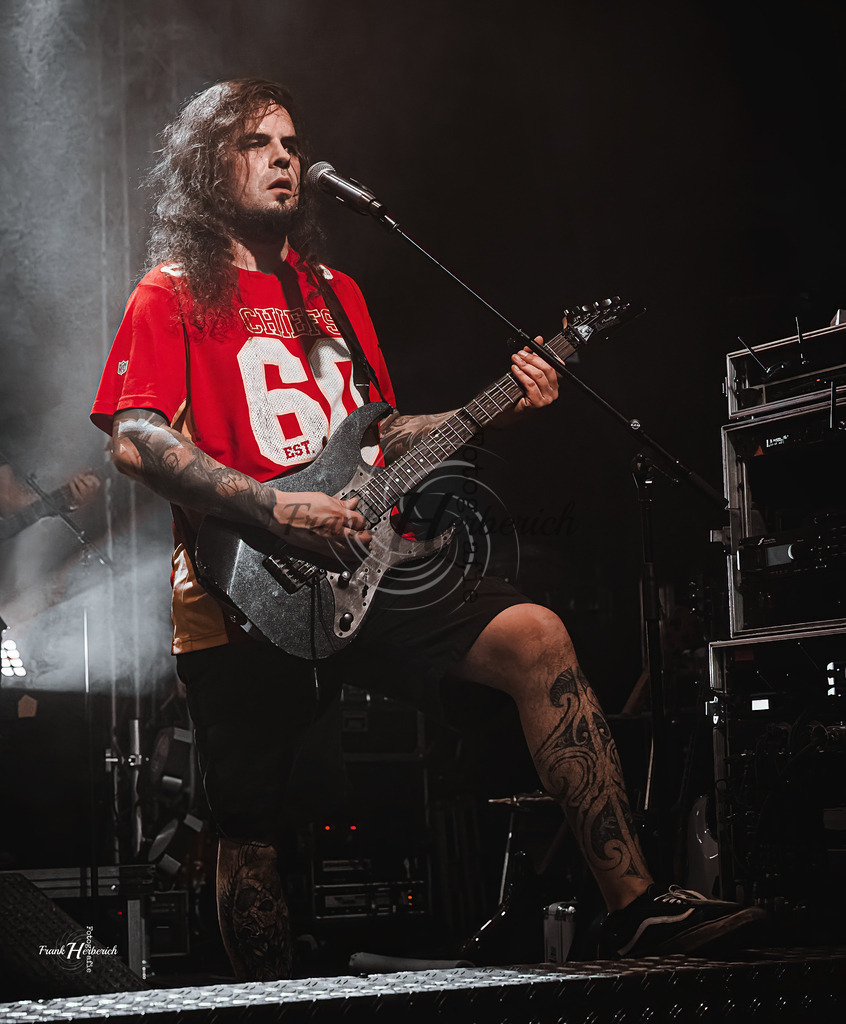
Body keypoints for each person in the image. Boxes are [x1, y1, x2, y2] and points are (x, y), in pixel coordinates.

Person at [91, 78, 760, 979]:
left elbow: (377, 432)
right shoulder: (170, 293)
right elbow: (136, 438)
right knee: (248, 824)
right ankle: (257, 997)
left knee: (536, 638)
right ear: (211, 166)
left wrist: (491, 411)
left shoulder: (337, 293)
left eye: (291, 141)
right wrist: (273, 507)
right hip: (240, 589)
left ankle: (636, 906)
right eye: (258, 143)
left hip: (368, 563)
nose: (286, 156)